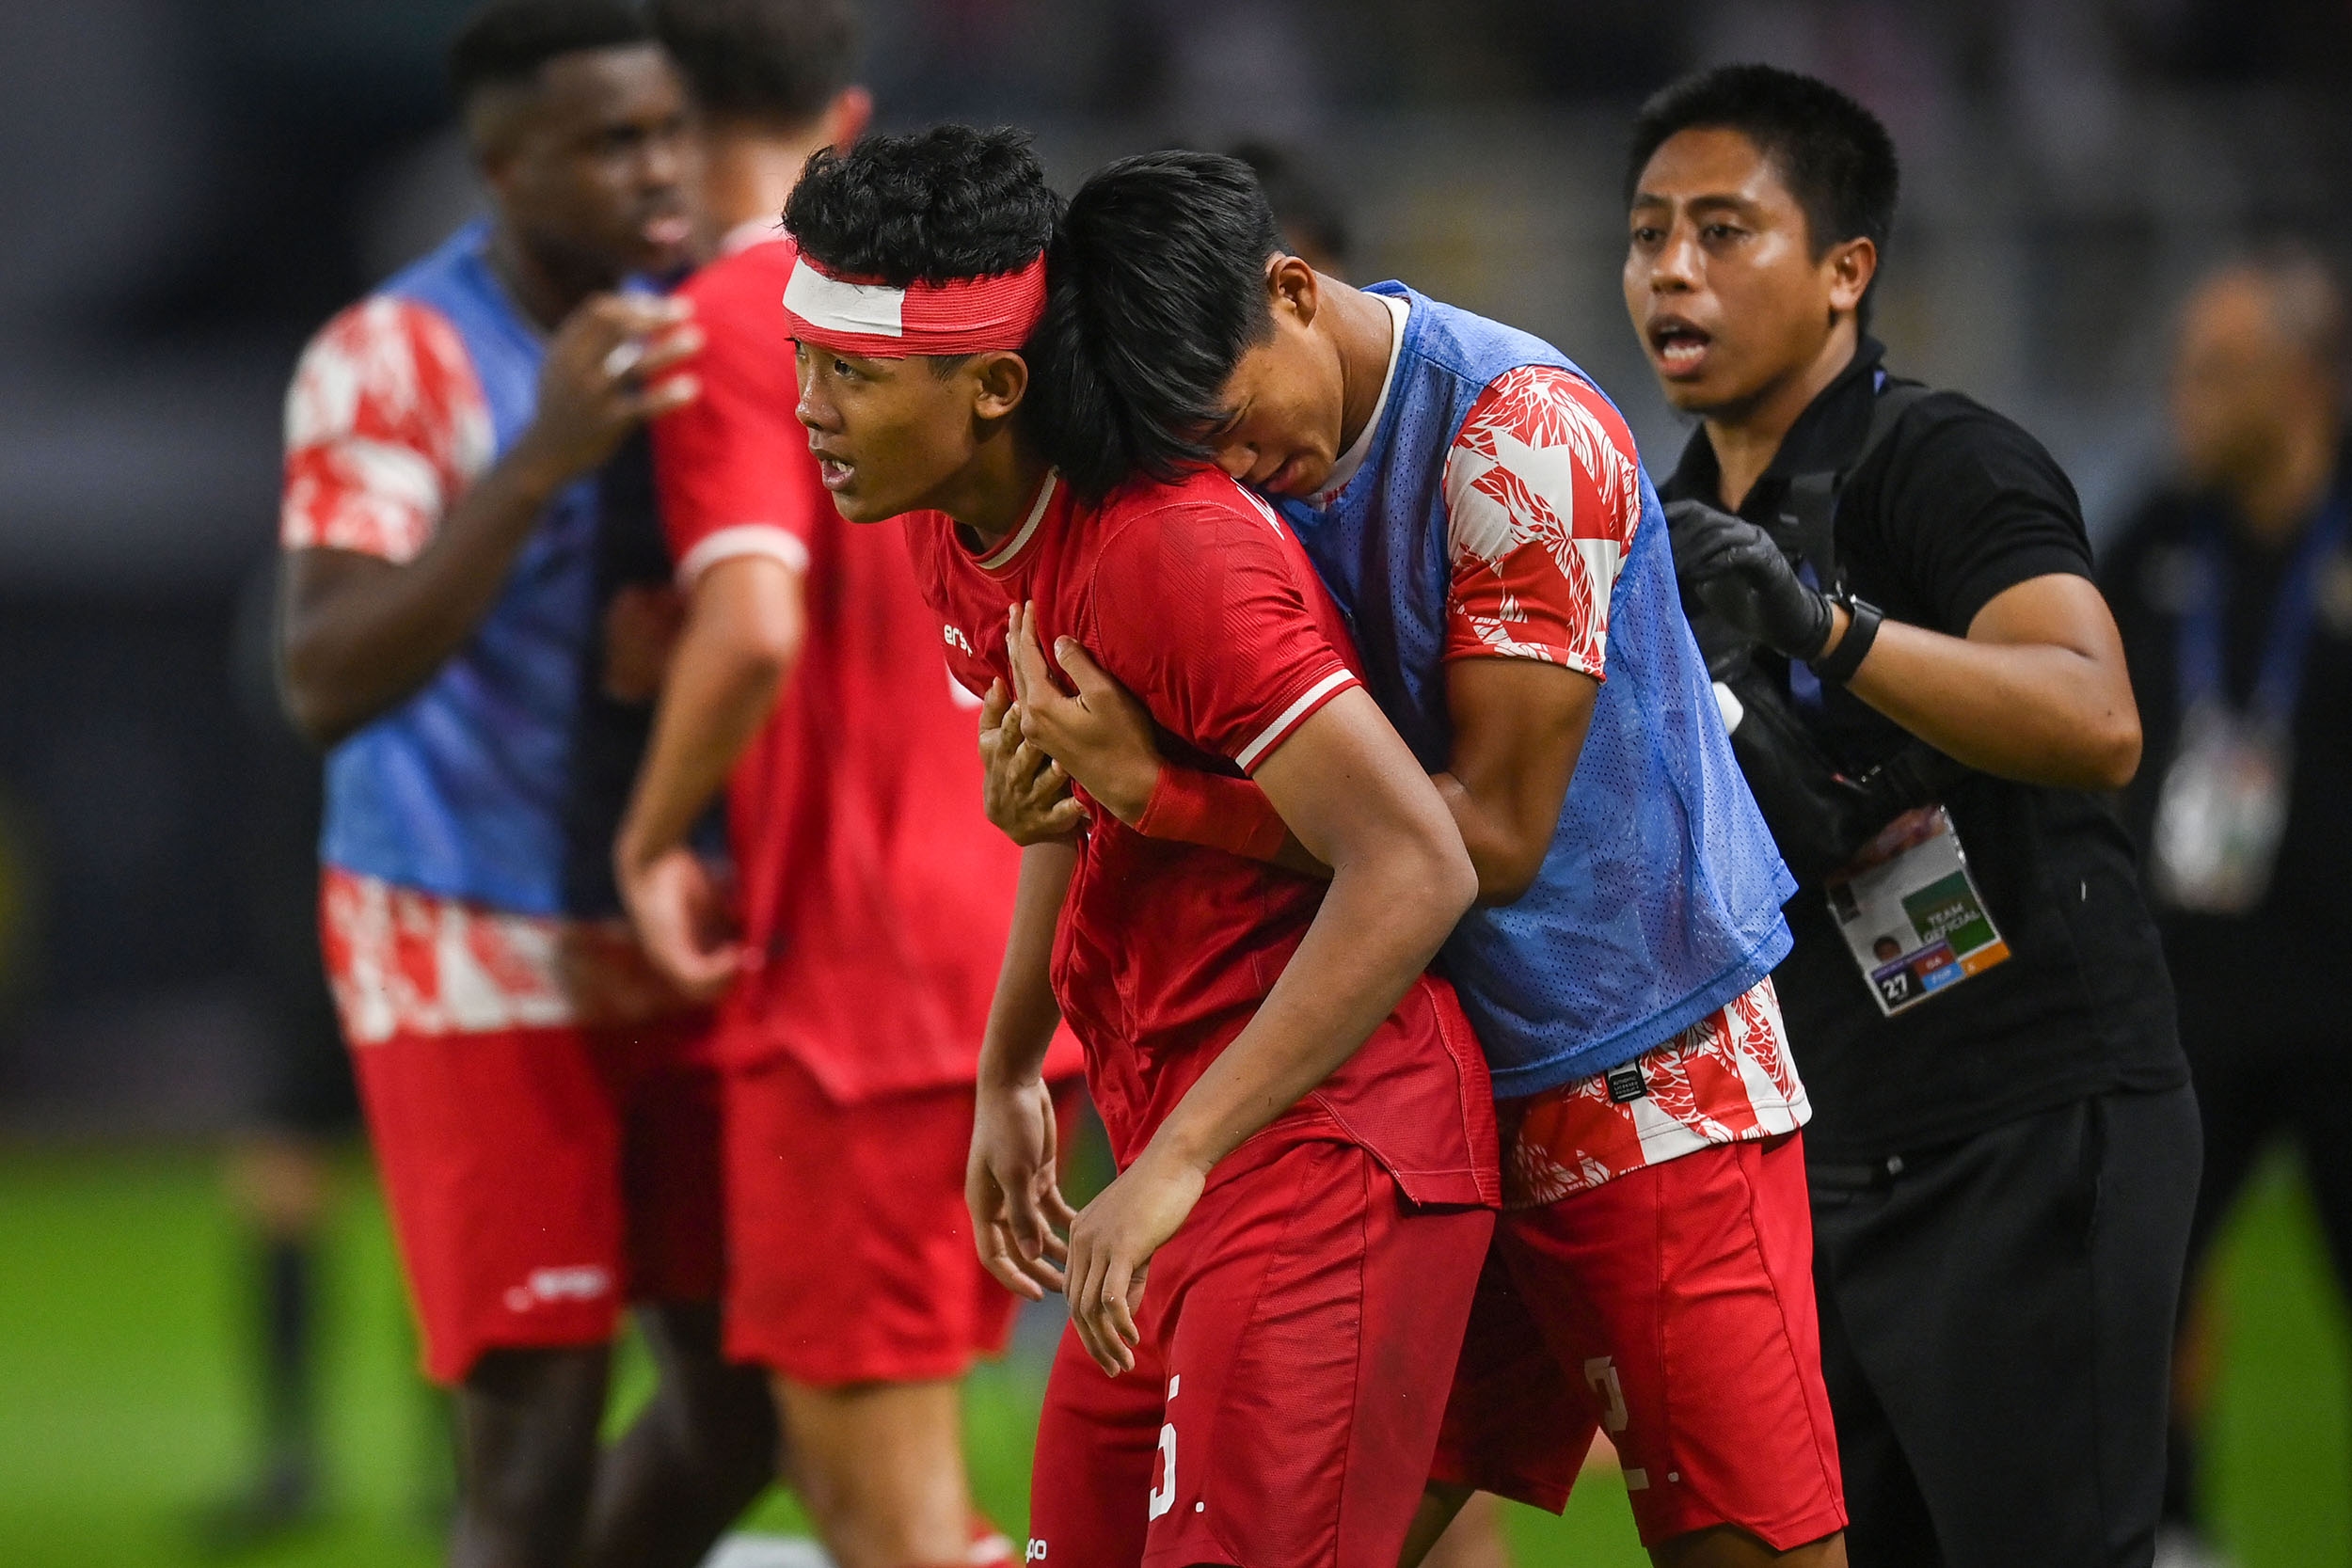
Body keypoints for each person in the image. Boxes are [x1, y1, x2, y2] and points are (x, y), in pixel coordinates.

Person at [990, 150, 1845, 1567]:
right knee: (1341, 1537)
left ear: (1292, 289)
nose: (1234, 469)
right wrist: (1049, 790)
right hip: (1423, 1084)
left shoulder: (1523, 440)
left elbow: (1490, 843)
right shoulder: (1241, 479)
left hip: (1631, 1069)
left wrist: (1164, 799)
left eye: (1230, 422)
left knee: (1745, 1550)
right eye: (1194, 455)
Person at [780, 123, 1502, 1568]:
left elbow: (1417, 861)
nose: (810, 409)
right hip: (1188, 1154)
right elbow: (1069, 801)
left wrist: (1173, 1159)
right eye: (805, 361)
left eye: (851, 376)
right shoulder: (952, 524)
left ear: (992, 386)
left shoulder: (1171, 551)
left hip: (1327, 1153)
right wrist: (1009, 1068)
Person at [1628, 64, 2198, 1566]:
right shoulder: (1661, 521)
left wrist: (1825, 630)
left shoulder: (1943, 458)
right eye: (1647, 233)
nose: (1671, 267)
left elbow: (2097, 718)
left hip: (2029, 1121)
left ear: (1844, 273)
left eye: (1724, 229)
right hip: (1824, 1145)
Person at [274, 5, 774, 1564]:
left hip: (669, 919)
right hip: (465, 932)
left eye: (670, 131)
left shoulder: (700, 324)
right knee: (534, 1444)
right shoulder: (391, 358)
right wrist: (538, 466)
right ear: (502, 167)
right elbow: (325, 673)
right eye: (610, 142)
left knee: (752, 1403)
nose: (658, 169)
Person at [615, 8, 1079, 1568]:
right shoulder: (974, 314)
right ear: (848, 110)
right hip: (1021, 952)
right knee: (912, 1495)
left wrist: (648, 838)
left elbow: (750, 624)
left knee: (877, 1512)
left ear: (664, 120)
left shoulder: (738, 320)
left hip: (861, 1000)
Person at [2100, 249, 2352, 1568]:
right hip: (2189, 998)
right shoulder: (2155, 536)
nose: (2183, 397)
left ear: (2305, 384)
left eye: (2219, 371)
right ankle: (2179, 1533)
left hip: (2343, 1001)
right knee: (2139, 1286)